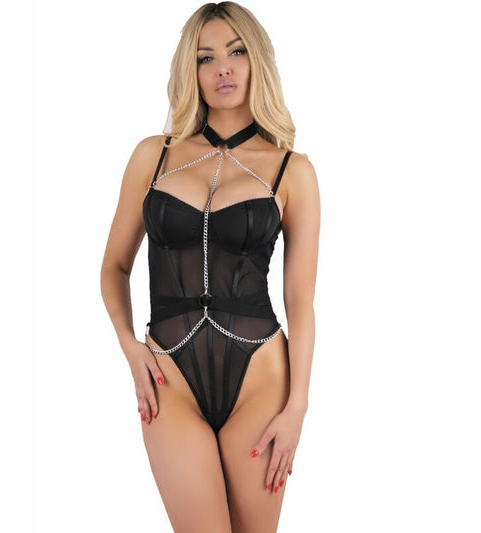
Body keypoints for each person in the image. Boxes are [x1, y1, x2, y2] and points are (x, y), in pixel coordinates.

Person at [100, 2, 320, 531]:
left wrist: (297, 409)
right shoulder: (154, 156)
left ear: (256, 60)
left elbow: (300, 301)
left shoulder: (293, 171)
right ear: (191, 70)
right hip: (169, 376)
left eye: (236, 52)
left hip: (261, 378)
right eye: (206, 57)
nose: (223, 68)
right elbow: (114, 267)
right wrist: (129, 346)